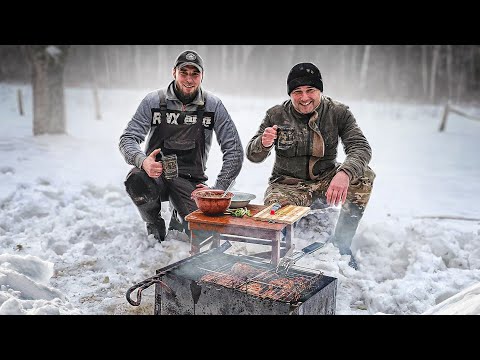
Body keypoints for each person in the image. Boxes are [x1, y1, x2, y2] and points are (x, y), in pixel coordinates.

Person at [245, 62, 375, 270]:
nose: (304, 98)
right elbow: (253, 155)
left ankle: (341, 245)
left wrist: (344, 174)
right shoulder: (276, 114)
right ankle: (283, 255)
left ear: (320, 90)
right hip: (287, 186)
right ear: (290, 94)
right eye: (297, 92)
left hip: (326, 181)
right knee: (275, 214)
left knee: (363, 177)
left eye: (310, 90)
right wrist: (263, 142)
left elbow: (361, 147)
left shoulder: (338, 112)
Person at [119, 50, 244, 242]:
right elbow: (127, 139)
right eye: (183, 73)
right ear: (174, 72)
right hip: (156, 177)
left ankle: (180, 215)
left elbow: (234, 150)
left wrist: (217, 190)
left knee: (203, 236)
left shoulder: (213, 105)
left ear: (202, 76)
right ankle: (153, 221)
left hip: (190, 183)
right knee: (136, 179)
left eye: (195, 74)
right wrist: (143, 162)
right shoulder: (154, 101)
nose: (189, 79)